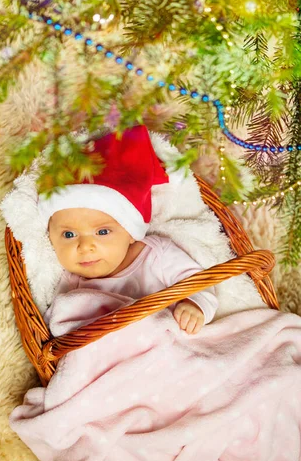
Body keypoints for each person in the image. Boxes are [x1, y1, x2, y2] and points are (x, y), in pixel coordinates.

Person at [37, 124, 218, 334]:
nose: (85, 247)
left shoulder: (155, 255)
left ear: (131, 232)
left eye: (102, 232)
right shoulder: (71, 285)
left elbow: (198, 281)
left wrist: (196, 306)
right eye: (69, 234)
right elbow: (62, 328)